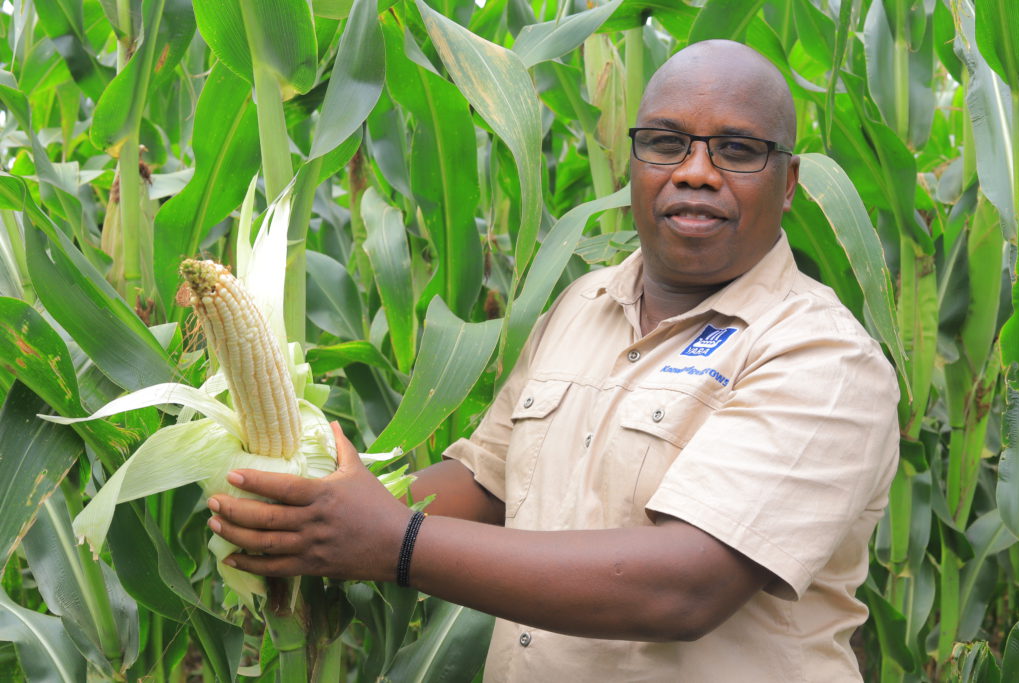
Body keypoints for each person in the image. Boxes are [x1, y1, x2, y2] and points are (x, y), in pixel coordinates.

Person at [206, 40, 900, 681]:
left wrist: (393, 541)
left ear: (788, 182)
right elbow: (492, 483)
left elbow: (686, 586)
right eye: (665, 143)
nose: (695, 172)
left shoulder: (823, 356)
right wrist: (314, 508)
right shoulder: (582, 305)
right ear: (634, 161)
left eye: (738, 150)